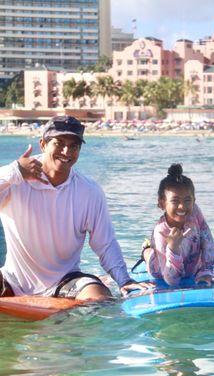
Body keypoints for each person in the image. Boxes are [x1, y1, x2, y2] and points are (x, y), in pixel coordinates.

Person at [0, 115, 151, 300]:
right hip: (13, 281)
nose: (66, 151)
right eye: (59, 143)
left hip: (65, 281)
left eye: (74, 146)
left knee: (100, 299)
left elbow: (105, 243)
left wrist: (125, 281)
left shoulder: (89, 191)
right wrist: (14, 171)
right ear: (43, 144)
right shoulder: (14, 180)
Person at [142, 163, 214, 287]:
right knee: (150, 254)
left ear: (194, 200)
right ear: (161, 203)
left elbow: (207, 238)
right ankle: (145, 249)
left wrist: (206, 271)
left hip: (190, 261)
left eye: (187, 200)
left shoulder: (194, 211)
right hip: (162, 270)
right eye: (175, 201)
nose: (182, 206)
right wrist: (173, 248)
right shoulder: (161, 232)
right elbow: (171, 280)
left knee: (213, 251)